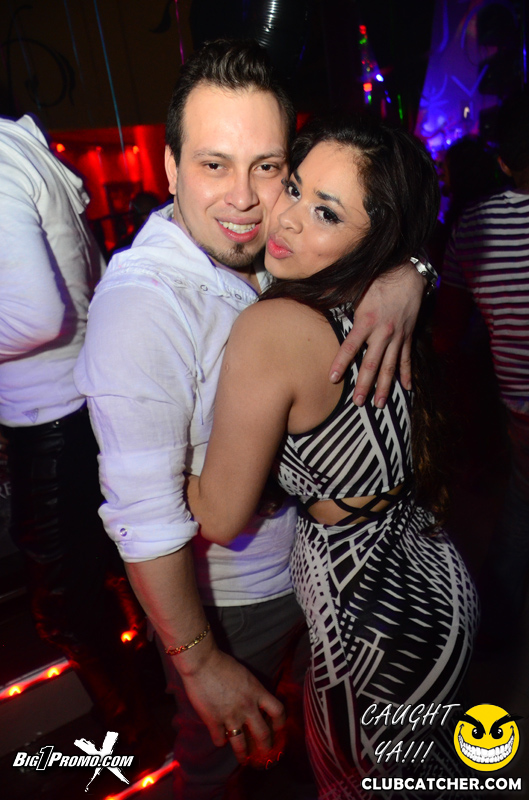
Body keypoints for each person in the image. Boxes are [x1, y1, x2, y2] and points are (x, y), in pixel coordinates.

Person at [75, 40, 434, 799]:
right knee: (215, 767)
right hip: (233, 604)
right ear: (170, 168)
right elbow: (146, 520)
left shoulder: (271, 253)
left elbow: (366, 223)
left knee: (322, 751)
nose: (243, 198)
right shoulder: (142, 309)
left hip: (325, 579)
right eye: (214, 164)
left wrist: (411, 271)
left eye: (267, 167)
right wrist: (201, 661)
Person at [187, 114, 479, 797]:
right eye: (293, 187)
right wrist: (413, 268)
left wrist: (145, 459)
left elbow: (219, 515)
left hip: (368, 618)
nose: (286, 218)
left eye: (325, 212)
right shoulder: (380, 297)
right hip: (431, 583)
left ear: (375, 239)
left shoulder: (273, 327)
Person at [0, 114, 160, 755]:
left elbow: (41, 315)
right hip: (75, 408)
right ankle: (150, 705)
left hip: (53, 420)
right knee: (108, 578)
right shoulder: (19, 148)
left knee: (63, 607)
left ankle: (134, 733)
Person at [438, 91, 529, 647]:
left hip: (518, 403)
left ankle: (492, 628)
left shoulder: (472, 224)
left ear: (502, 161)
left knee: (520, 501)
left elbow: (449, 325)